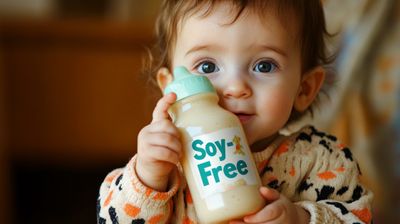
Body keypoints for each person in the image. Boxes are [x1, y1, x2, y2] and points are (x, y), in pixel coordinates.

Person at [97, 0, 373, 223]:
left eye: (264, 66)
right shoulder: (169, 162)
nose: (235, 88)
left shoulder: (320, 160)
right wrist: (148, 177)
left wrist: (301, 218)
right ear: (171, 87)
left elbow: (359, 217)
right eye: (207, 67)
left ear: (303, 89)